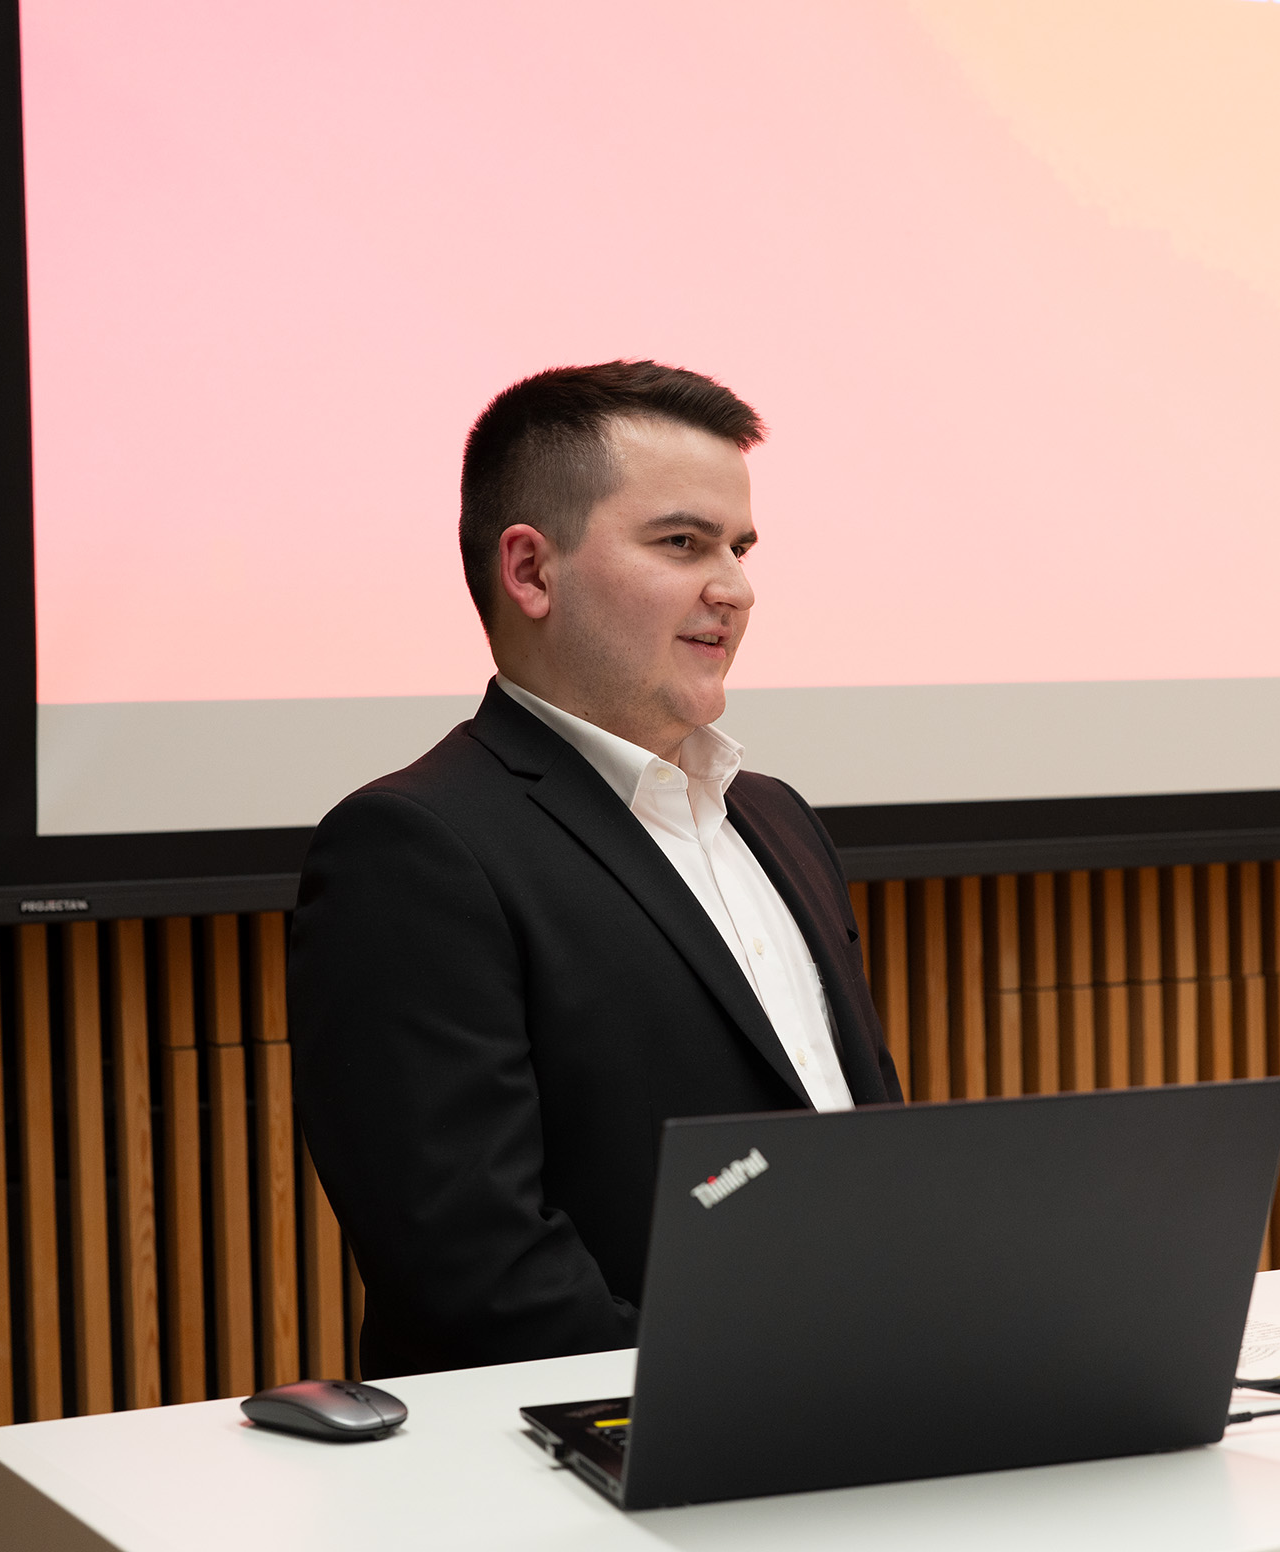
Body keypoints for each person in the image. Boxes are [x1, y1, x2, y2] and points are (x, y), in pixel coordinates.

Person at [290, 361, 902, 1379]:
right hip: (606, 1468)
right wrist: (716, 1407)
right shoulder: (412, 848)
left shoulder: (775, 817)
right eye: (681, 543)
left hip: (865, 1417)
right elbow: (473, 1271)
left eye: (740, 548)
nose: (735, 588)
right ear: (530, 571)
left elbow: (861, 1153)